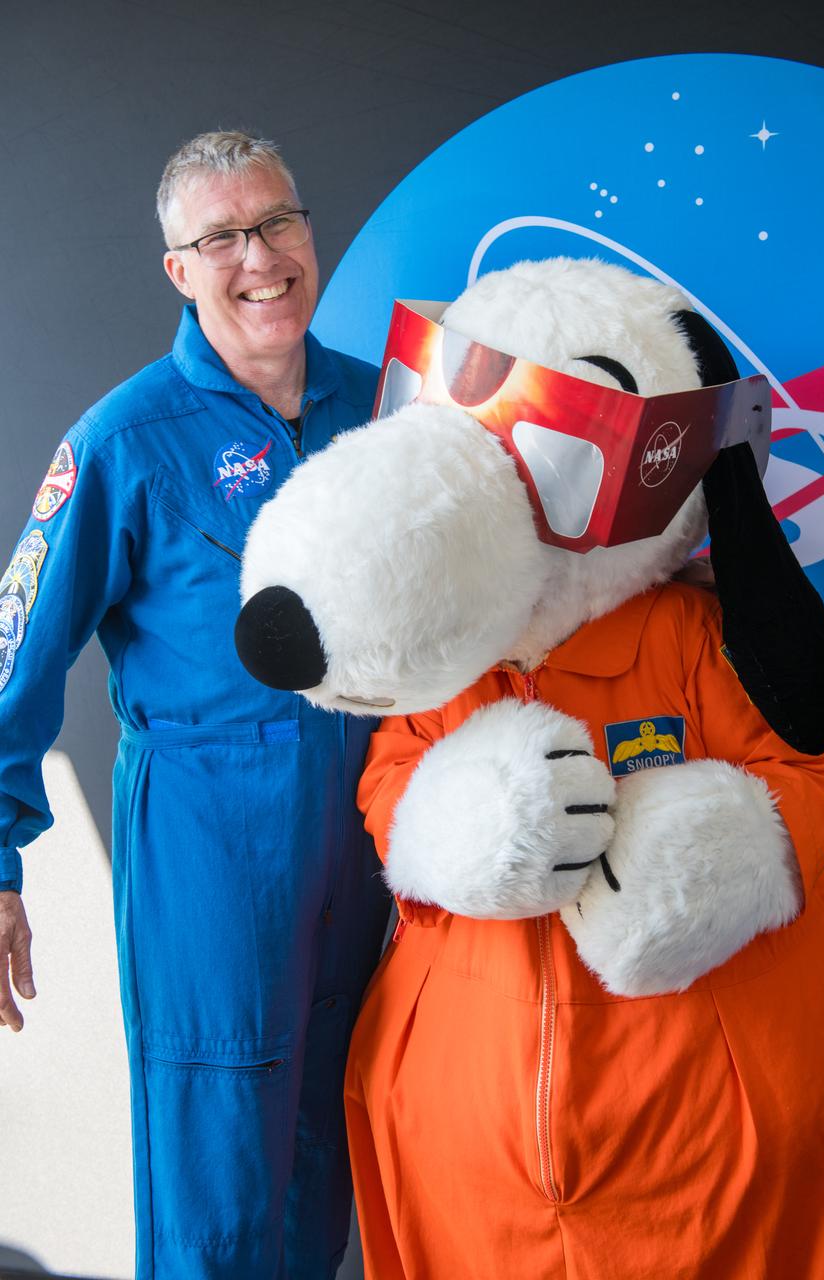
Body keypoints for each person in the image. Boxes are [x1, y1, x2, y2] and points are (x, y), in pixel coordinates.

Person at [0, 130, 390, 1279]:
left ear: (308, 231)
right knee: (217, 1168)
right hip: (212, 842)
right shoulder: (124, 441)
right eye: (220, 237)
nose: (258, 257)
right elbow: (14, 658)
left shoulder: (387, 407)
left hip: (371, 829)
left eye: (276, 222)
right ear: (178, 269)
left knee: (330, 1154)